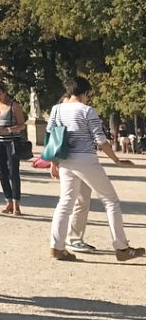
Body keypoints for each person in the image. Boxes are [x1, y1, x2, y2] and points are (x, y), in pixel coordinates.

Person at [46, 76, 144, 262]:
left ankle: (57, 246)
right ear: (85, 92)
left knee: (65, 203)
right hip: (86, 158)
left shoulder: (57, 109)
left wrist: (54, 162)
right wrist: (116, 160)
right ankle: (121, 247)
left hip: (66, 159)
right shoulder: (87, 111)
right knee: (110, 200)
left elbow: (52, 136)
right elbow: (100, 140)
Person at [0, 83, 27, 215]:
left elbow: (22, 125)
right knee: (2, 172)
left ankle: (16, 203)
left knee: (13, 172)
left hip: (12, 141)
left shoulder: (14, 106)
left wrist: (9, 130)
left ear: (5, 92)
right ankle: (8, 201)